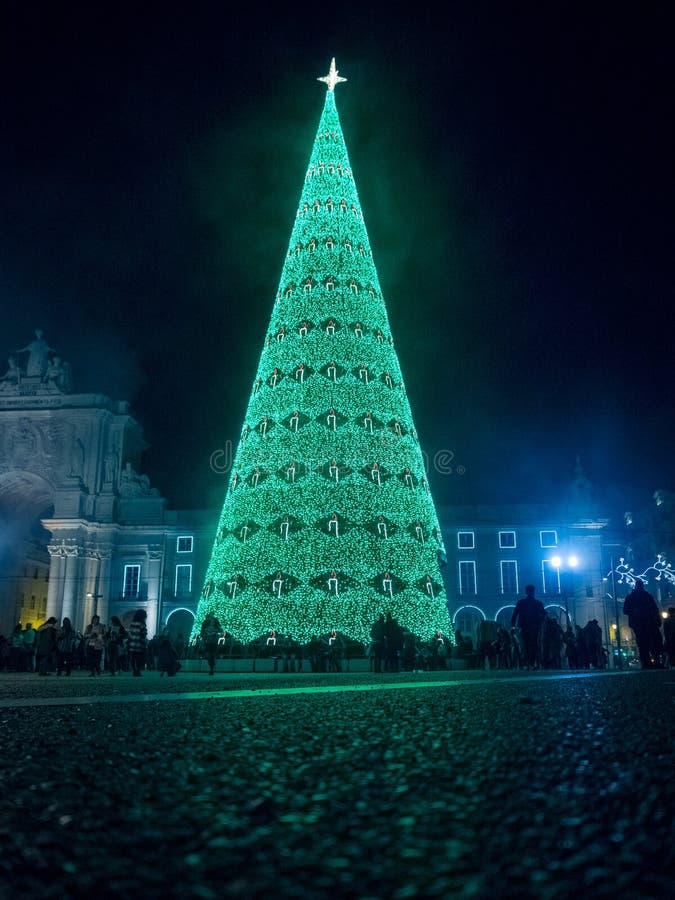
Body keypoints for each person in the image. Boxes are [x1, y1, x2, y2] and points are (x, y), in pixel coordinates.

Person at [623, 578, 664, 669]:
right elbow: (654, 609)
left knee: (646, 643)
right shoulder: (645, 596)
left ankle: (648, 662)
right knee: (648, 643)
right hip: (644, 623)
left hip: (642, 624)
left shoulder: (633, 596)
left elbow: (626, 610)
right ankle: (651, 662)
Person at [511, 585, 546, 670]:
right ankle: (531, 663)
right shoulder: (538, 603)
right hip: (533, 626)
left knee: (526, 646)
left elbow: (514, 615)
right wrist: (539, 622)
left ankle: (528, 663)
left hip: (525, 626)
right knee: (532, 645)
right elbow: (544, 614)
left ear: (526, 592)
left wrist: (512, 626)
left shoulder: (521, 602)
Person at [127, 609, 148, 676]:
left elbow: (129, 633)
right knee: (139, 658)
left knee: (133, 658)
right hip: (139, 644)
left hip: (132, 644)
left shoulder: (132, 623)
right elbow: (144, 634)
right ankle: (138, 671)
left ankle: (134, 671)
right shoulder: (142, 624)